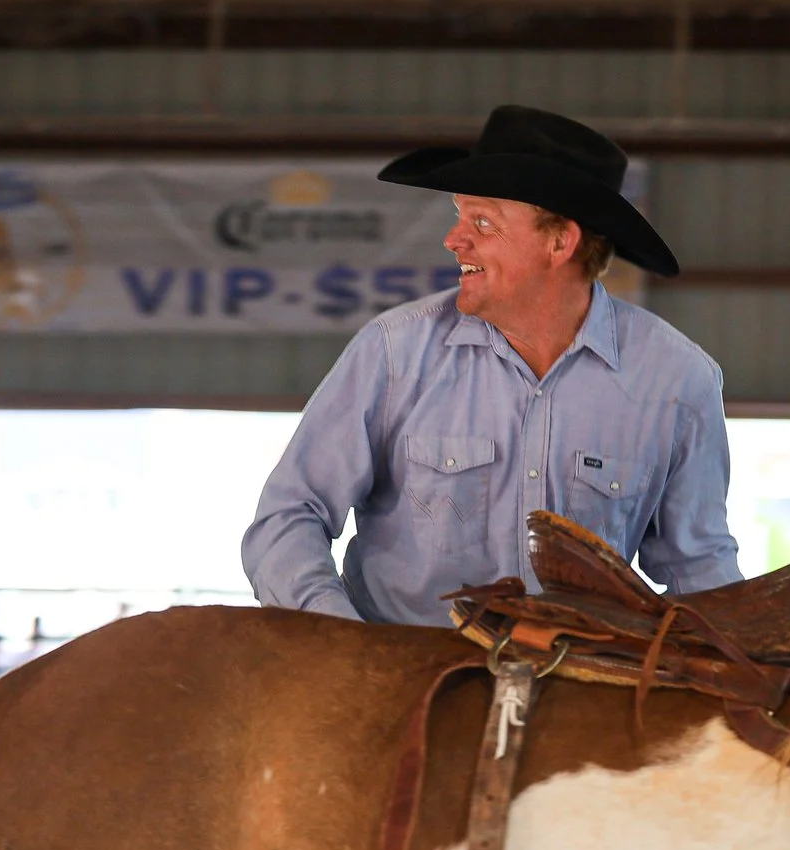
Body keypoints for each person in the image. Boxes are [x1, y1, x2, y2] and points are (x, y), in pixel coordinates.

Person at [243, 105, 739, 628]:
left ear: (559, 242)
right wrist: (343, 644)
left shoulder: (679, 380)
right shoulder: (394, 353)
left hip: (578, 689)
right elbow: (287, 518)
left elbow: (697, 565)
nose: (454, 239)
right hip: (399, 681)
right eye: (460, 216)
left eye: (483, 222)